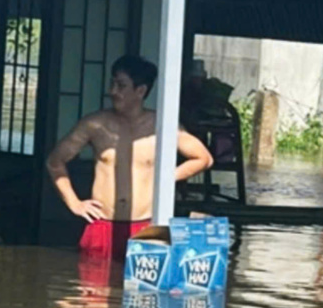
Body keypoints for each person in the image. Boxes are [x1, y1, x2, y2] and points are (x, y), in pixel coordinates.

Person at [46, 55, 213, 261]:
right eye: (112, 83)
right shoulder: (95, 124)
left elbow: (203, 158)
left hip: (145, 226)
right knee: (91, 290)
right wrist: (74, 203)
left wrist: (166, 177)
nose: (112, 91)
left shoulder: (161, 125)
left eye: (121, 86)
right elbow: (55, 161)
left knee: (143, 293)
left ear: (140, 91)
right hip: (103, 224)